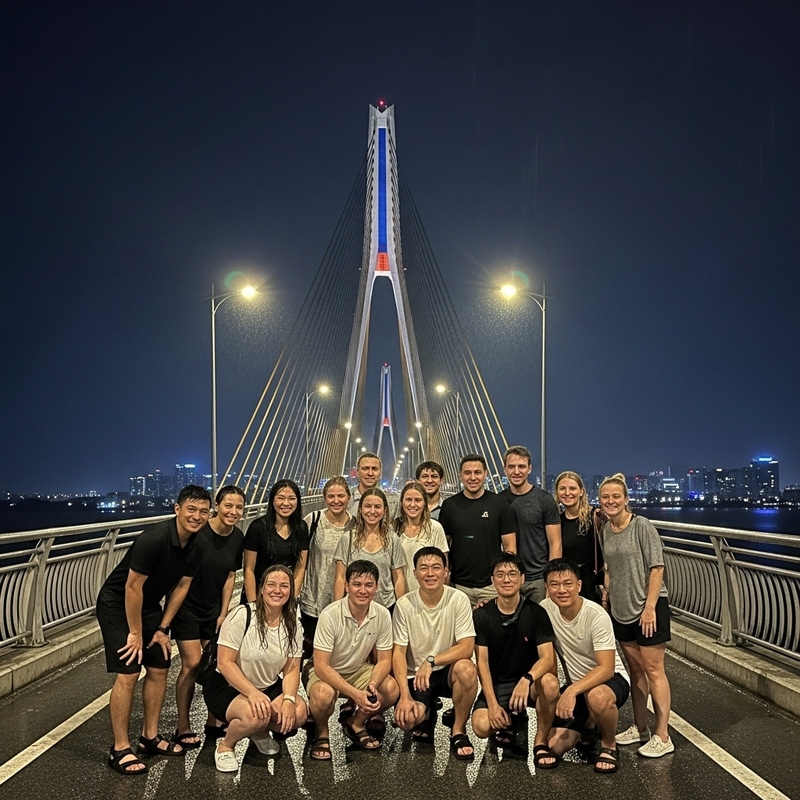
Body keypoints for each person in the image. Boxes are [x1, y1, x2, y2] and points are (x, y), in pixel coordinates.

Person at [96, 485, 210, 775]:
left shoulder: (197, 544)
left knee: (160, 668)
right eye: (191, 510)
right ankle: (120, 748)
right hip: (117, 604)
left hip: (149, 609)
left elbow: (182, 587)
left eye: (203, 512)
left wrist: (162, 628)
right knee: (130, 671)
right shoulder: (155, 539)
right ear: (177, 509)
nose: (197, 516)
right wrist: (135, 633)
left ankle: (149, 737)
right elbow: (132, 587)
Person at [598, 474, 674, 758]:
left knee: (655, 671)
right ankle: (640, 727)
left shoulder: (641, 526)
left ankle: (663, 735)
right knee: (636, 671)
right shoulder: (605, 530)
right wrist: (607, 595)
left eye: (616, 496)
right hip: (621, 609)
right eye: (605, 497)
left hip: (648, 609)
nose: (611, 501)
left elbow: (657, 567)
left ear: (626, 499)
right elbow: (610, 567)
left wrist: (651, 606)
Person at [204, 565, 308, 772]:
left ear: (291, 590)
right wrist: (252, 694)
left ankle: (258, 732)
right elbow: (225, 663)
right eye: (271, 584)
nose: (277, 590)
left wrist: (288, 699)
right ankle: (226, 745)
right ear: (261, 589)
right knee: (257, 715)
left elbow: (292, 667)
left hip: (267, 686)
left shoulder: (292, 624)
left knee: (299, 712)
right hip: (228, 687)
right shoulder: (242, 615)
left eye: (284, 586)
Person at [540, 558, 631, 773]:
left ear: (579, 586)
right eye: (554, 584)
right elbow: (517, 611)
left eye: (568, 584)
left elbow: (606, 668)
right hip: (579, 685)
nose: (561, 590)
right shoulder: (545, 610)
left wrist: (571, 690)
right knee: (554, 746)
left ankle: (609, 745)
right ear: (546, 587)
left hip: (609, 680)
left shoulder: (596, 615)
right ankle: (589, 725)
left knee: (597, 697)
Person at [173, 485, 246, 749]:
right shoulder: (198, 531)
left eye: (239, 507)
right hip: (187, 608)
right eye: (228, 505)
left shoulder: (237, 537)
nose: (233, 512)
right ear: (217, 505)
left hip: (213, 611)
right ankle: (182, 725)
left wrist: (224, 612)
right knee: (192, 664)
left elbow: (230, 576)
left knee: (217, 666)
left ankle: (213, 720)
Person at [304, 560, 399, 760]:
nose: (362, 590)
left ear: (376, 587)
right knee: (323, 694)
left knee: (390, 688)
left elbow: (384, 660)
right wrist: (355, 694)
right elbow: (321, 666)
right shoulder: (330, 615)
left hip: (358, 669)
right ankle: (322, 732)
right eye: (356, 584)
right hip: (325, 671)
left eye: (368, 585)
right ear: (346, 586)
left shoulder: (382, 615)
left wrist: (372, 684)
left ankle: (355, 723)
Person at [471, 553, 559, 764]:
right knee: (481, 727)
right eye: (500, 575)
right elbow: (481, 662)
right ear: (492, 580)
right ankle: (510, 720)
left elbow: (548, 658)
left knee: (549, 683)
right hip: (499, 684)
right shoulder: (481, 615)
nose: (506, 579)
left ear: (522, 579)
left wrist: (527, 679)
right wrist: (492, 703)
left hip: (529, 684)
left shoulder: (536, 612)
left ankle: (540, 741)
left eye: (512, 574)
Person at [392, 546, 478, 761]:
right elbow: (399, 653)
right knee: (407, 720)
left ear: (446, 572)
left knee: (467, 669)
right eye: (424, 568)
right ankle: (426, 713)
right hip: (416, 677)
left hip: (446, 670)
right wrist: (404, 696)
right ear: (414, 573)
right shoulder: (404, 605)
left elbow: (467, 647)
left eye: (436, 568)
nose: (430, 573)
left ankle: (458, 730)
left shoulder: (458, 599)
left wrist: (432, 661)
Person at [438, 454, 517, 605]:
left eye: (478, 472)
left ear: (485, 474)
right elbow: (444, 548)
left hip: (492, 586)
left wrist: (504, 580)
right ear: (460, 475)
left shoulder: (500, 504)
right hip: (458, 586)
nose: (472, 477)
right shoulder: (449, 506)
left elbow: (510, 547)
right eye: (467, 473)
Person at [500, 446, 561, 603]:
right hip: (509, 579)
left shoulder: (544, 500)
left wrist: (552, 580)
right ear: (504, 469)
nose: (516, 471)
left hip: (538, 580)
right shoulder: (498, 501)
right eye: (511, 467)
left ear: (529, 469)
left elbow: (556, 543)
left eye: (521, 466)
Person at [299, 476, 354, 646]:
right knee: (312, 650)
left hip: (346, 603)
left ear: (349, 498)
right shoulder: (313, 520)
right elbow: (300, 561)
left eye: (341, 496)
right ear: (324, 498)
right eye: (331, 496)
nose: (336, 501)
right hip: (312, 602)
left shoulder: (356, 525)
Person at [333, 488, 406, 611]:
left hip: (386, 606)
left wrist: (402, 610)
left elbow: (398, 577)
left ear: (384, 510)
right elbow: (340, 577)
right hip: (354, 608)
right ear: (360, 509)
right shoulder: (348, 538)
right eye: (368, 506)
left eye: (377, 507)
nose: (372, 511)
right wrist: (338, 609)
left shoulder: (393, 539)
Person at [243, 479, 308, 602]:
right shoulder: (257, 527)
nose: (286, 503)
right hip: (259, 594)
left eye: (292, 498)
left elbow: (300, 568)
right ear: (272, 500)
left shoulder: (301, 528)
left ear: (298, 501)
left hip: (283, 596)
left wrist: (291, 600)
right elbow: (249, 569)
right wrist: (253, 604)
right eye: (281, 498)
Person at [553, 471, 604, 601]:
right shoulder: (556, 522)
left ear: (581, 491)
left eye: (572, 488)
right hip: (566, 584)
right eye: (562, 489)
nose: (567, 493)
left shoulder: (595, 516)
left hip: (591, 583)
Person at [393, 481, 449, 592]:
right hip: (403, 595)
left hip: (430, 594)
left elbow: (444, 567)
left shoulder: (435, 528)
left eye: (418, 500)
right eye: (408, 500)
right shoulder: (394, 529)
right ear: (402, 502)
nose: (413, 505)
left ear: (424, 503)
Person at [347, 452, 399, 518]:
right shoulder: (345, 499)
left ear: (380, 473)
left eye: (374, 469)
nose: (370, 473)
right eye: (365, 468)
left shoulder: (393, 502)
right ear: (357, 472)